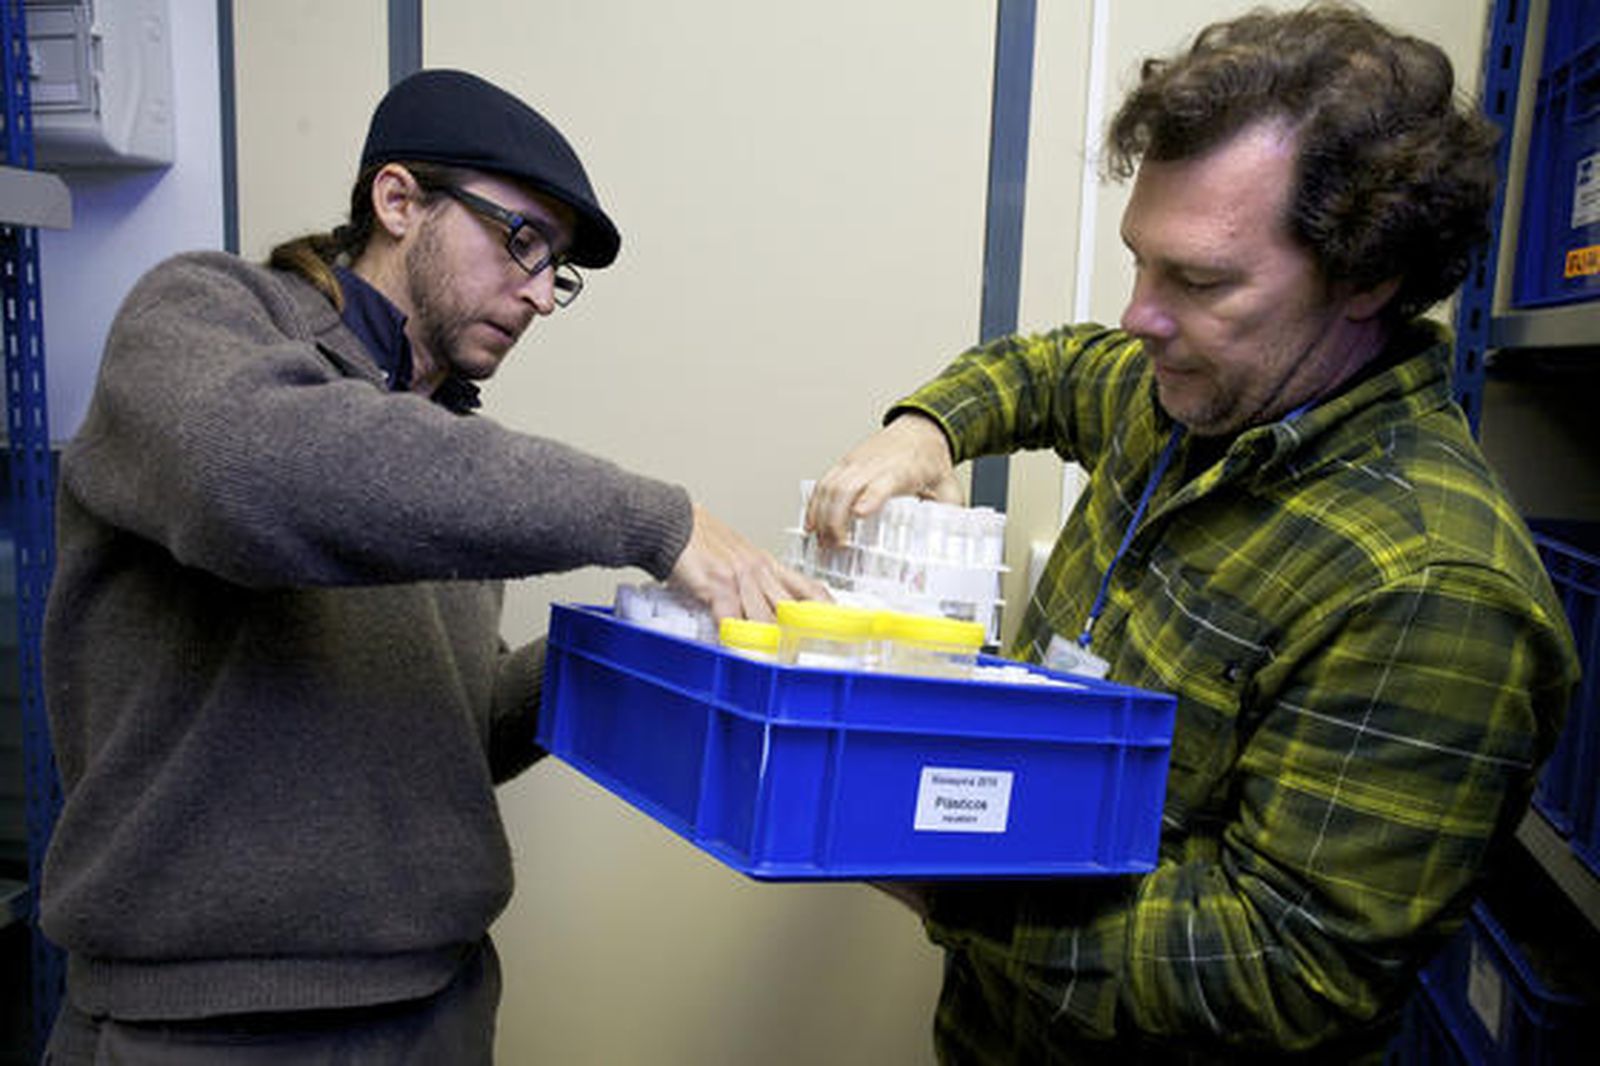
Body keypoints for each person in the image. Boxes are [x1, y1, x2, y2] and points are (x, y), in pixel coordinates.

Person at [807, 4, 1578, 1063]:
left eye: (1199, 280)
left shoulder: (1431, 588)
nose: (1138, 316)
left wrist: (942, 867)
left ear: (1368, 278)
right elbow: (1044, 368)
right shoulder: (1192, 387)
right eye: (1139, 262)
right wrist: (920, 430)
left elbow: (1289, 968)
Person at [38, 68, 818, 1064]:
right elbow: (246, 475)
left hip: (435, 1005)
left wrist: (645, 636)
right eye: (521, 241)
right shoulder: (203, 318)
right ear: (397, 199)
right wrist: (657, 520)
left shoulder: (439, 456)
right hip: (210, 1026)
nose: (539, 292)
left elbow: (460, 732)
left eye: (556, 270)